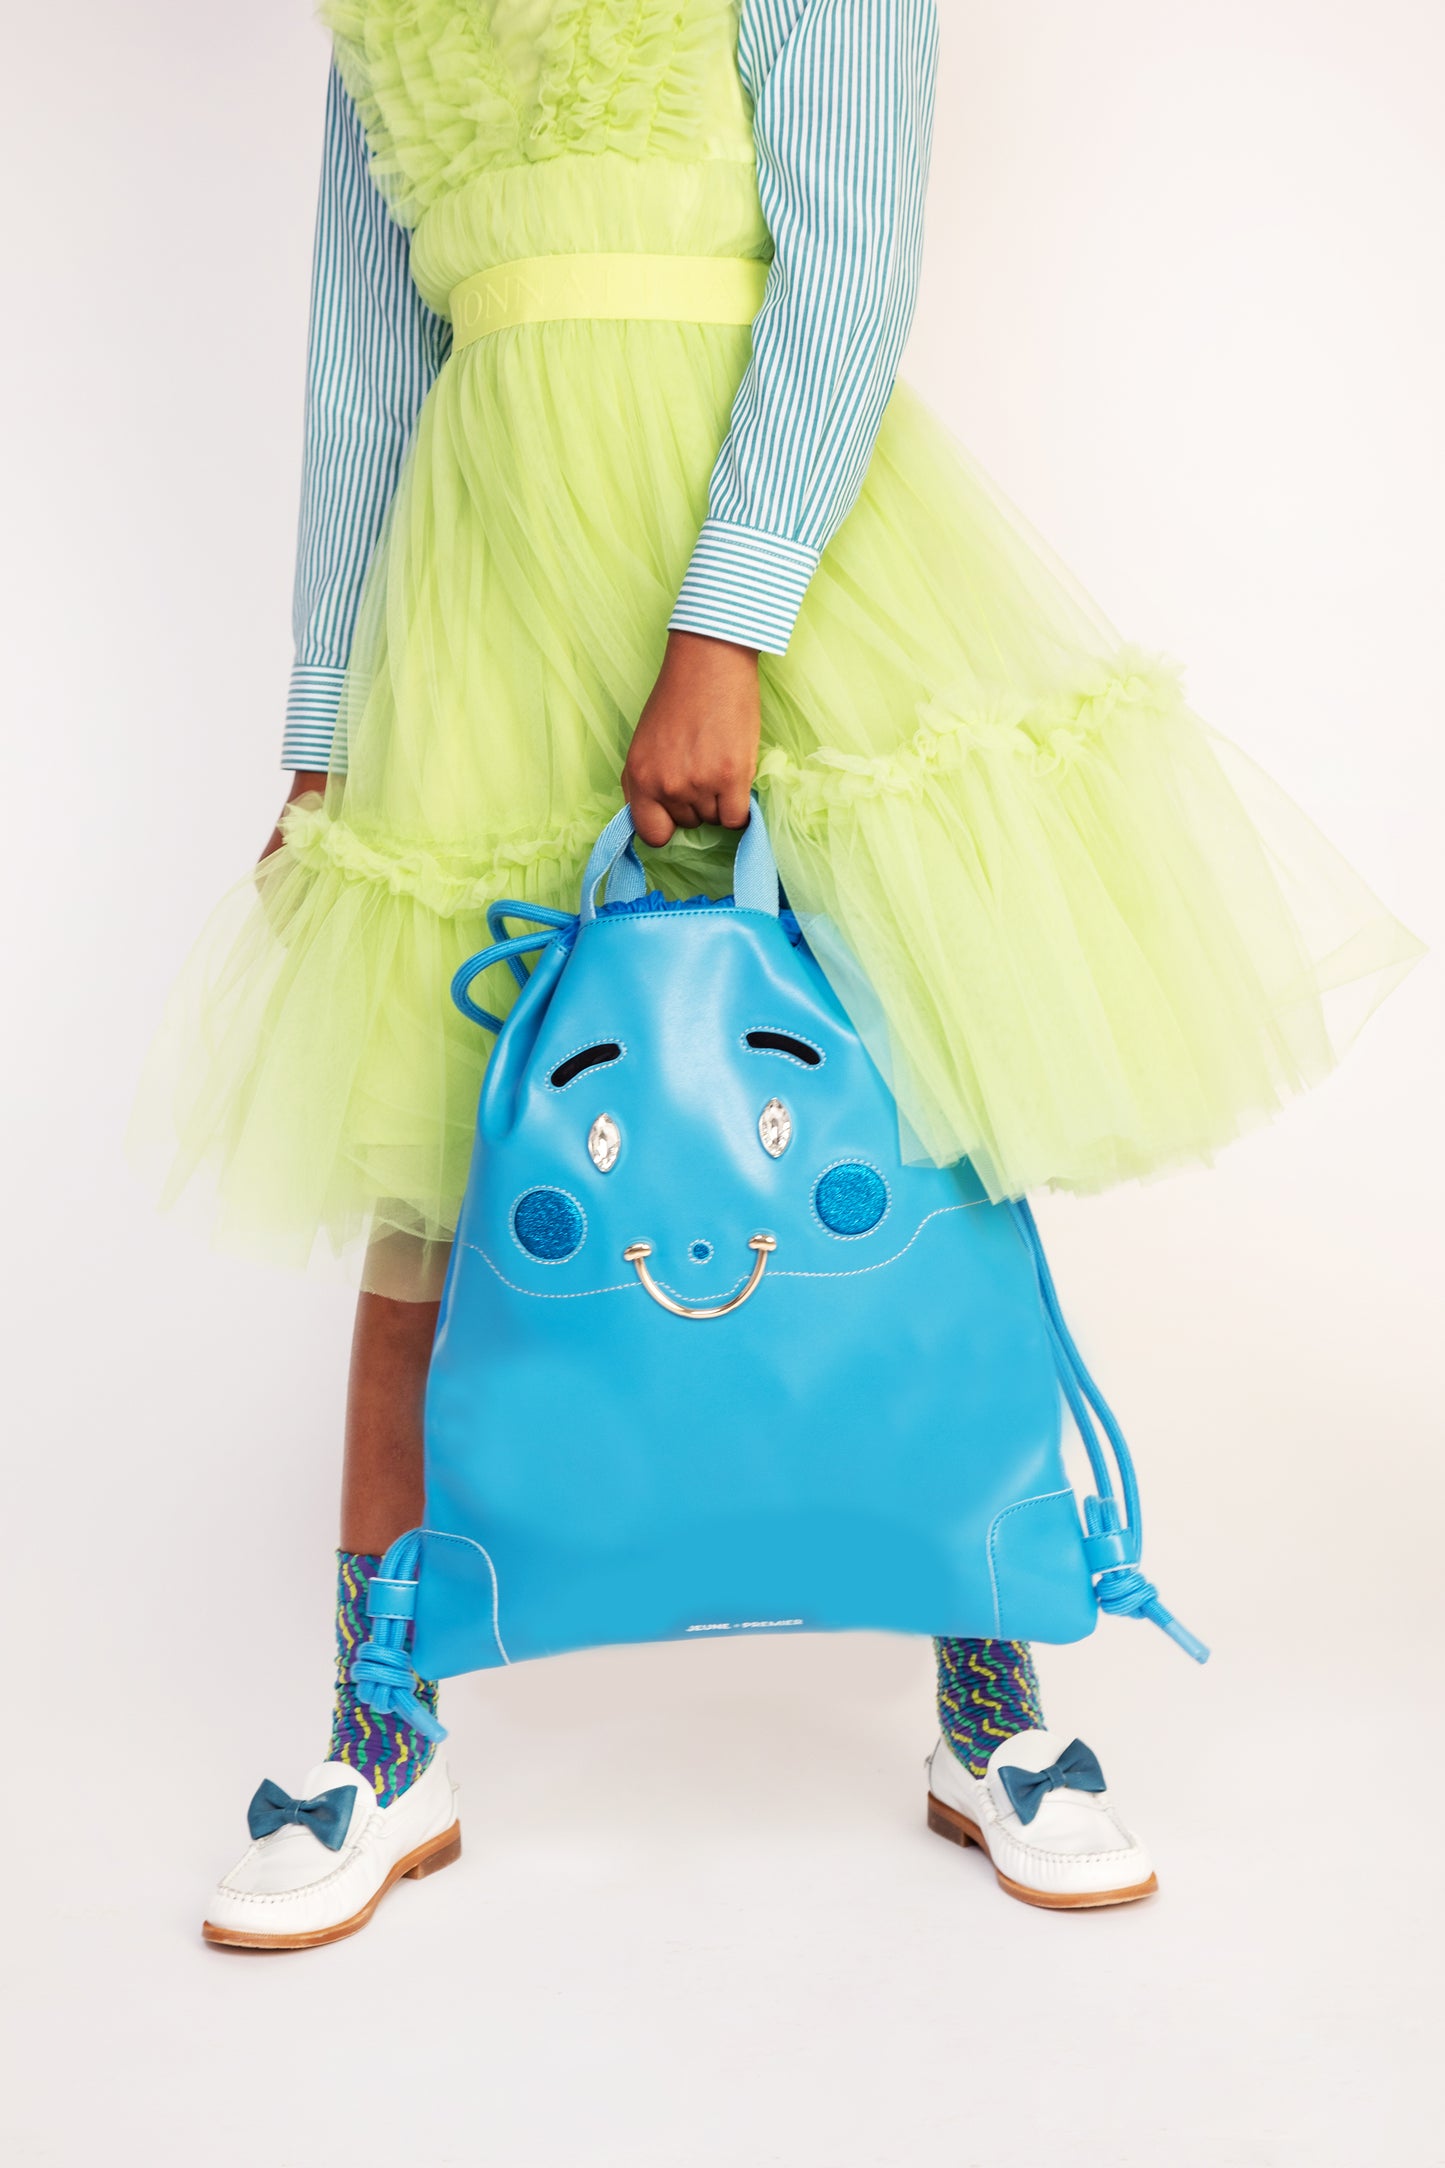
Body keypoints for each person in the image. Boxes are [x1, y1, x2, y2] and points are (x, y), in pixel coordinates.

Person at [143, 0, 1419, 1950]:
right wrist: (324, 730)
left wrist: (724, 631)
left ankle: (990, 1701)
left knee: (897, 1107)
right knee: (436, 1160)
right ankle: (379, 1731)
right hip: (480, 601)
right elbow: (362, 364)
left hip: (769, 563)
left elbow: (847, 262)